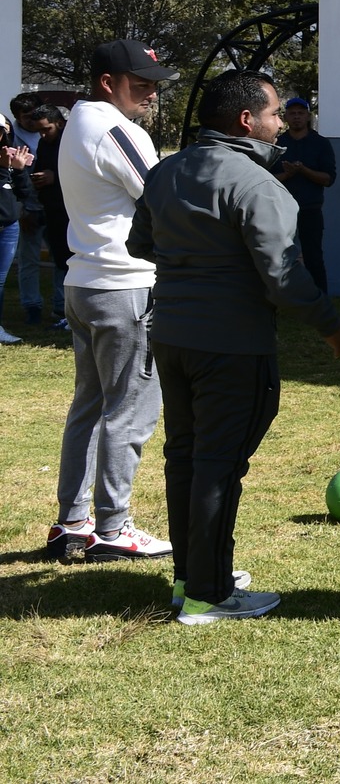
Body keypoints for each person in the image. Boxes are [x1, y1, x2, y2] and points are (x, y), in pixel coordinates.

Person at [130, 71, 340, 624]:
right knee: (218, 467)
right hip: (231, 345)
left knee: (185, 457)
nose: (282, 124)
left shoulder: (165, 171)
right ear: (247, 121)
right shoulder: (258, 186)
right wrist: (330, 324)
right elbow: (284, 277)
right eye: (276, 114)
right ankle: (209, 593)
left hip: (172, 337)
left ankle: (190, 578)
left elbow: (139, 243)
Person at [49, 39, 176, 563]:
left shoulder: (79, 120)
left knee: (91, 407)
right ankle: (113, 526)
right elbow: (160, 197)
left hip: (85, 282)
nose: (150, 94)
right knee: (131, 411)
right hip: (123, 284)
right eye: (140, 83)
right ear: (108, 82)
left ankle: (74, 522)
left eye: (153, 84)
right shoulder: (114, 127)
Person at [274, 97, 336, 292]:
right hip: (281, 211)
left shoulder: (320, 144)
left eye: (301, 113)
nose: (297, 117)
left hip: (310, 208)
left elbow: (328, 179)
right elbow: (266, 178)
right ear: (286, 117)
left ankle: (321, 299)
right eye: (292, 113)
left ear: (308, 116)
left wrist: (304, 171)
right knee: (278, 257)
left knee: (313, 258)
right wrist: (287, 174)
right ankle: (282, 297)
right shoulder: (278, 143)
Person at [26, 104, 71, 337]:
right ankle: (60, 309)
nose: (43, 135)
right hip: (51, 208)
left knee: (70, 260)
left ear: (60, 124)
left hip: (69, 211)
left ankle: (69, 312)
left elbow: (83, 175)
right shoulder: (45, 143)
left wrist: (56, 177)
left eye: (47, 130)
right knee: (60, 259)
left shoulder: (71, 143)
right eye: (39, 131)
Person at [9, 93, 45, 331]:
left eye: (35, 115)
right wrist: (21, 210)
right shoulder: (10, 137)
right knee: (29, 258)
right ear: (17, 118)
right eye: (26, 118)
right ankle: (32, 305)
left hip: (53, 200)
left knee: (65, 256)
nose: (32, 121)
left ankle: (61, 306)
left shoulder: (50, 129)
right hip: (27, 203)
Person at [0, 114, 32, 345]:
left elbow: (25, 194)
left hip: (9, 226)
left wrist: (19, 171)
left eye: (1, 131)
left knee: (0, 280)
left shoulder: (9, 157)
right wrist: (4, 169)